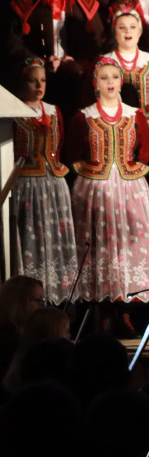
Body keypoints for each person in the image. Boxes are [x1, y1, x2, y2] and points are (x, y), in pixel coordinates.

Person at [65, 57, 149, 305]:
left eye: (114, 77)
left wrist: (135, 168)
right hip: (94, 188)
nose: (110, 82)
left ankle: (131, 301)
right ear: (95, 83)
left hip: (129, 187)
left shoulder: (135, 115)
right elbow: (73, 152)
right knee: (97, 242)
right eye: (104, 78)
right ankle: (97, 301)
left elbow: (144, 151)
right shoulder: (84, 116)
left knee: (134, 240)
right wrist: (86, 172)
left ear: (121, 82)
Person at [10, 0, 104, 122]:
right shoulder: (27, 3)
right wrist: (39, 62)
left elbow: (98, 42)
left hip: (76, 82)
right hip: (38, 83)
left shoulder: (85, 3)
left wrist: (77, 62)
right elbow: (13, 42)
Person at [11, 58, 77, 302]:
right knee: (31, 236)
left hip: (52, 182)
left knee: (53, 234)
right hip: (27, 183)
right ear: (22, 83)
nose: (39, 86)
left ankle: (56, 294)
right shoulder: (13, 111)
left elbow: (59, 147)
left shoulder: (52, 111)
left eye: (43, 80)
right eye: (33, 80)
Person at [106, 5, 149, 129]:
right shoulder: (105, 61)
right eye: (122, 28)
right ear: (114, 32)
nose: (127, 31)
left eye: (132, 27)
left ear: (139, 32)